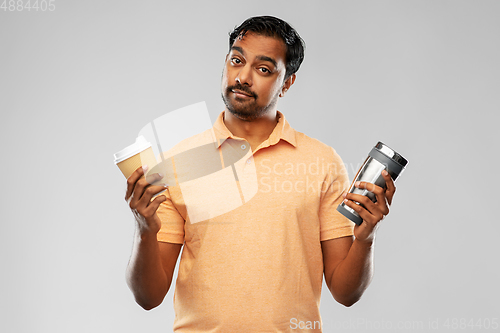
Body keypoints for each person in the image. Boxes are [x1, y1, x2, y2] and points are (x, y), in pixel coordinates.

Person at [124, 16, 396, 332]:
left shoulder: (322, 162)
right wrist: (144, 228)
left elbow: (346, 293)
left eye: (264, 69)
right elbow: (148, 296)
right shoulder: (178, 162)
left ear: (288, 82)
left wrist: (366, 238)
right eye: (236, 61)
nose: (243, 77)